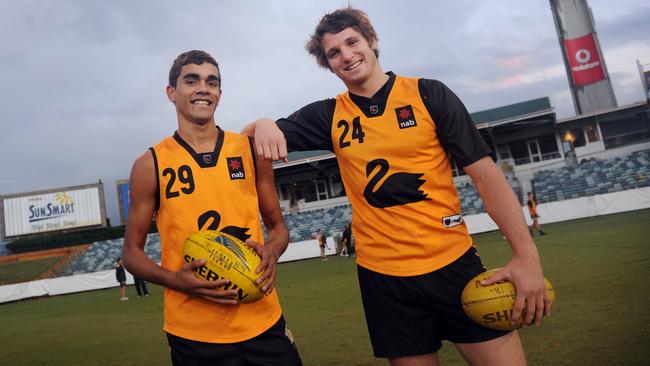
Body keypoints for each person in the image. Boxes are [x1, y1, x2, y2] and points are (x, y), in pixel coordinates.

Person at [243, 7, 551, 366]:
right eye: (334, 53)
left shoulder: (429, 95)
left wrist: (526, 256)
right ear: (329, 66)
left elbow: (485, 175)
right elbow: (242, 142)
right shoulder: (328, 115)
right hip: (384, 281)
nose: (346, 55)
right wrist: (261, 122)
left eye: (352, 42)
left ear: (372, 42)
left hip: (453, 265)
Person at [122, 50, 302, 365]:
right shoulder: (149, 165)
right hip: (194, 334)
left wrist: (271, 253)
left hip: (263, 320)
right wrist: (175, 279)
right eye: (191, 80)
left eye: (212, 82)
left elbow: (278, 227)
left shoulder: (250, 150)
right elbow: (131, 255)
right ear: (171, 92)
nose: (203, 88)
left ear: (219, 93)